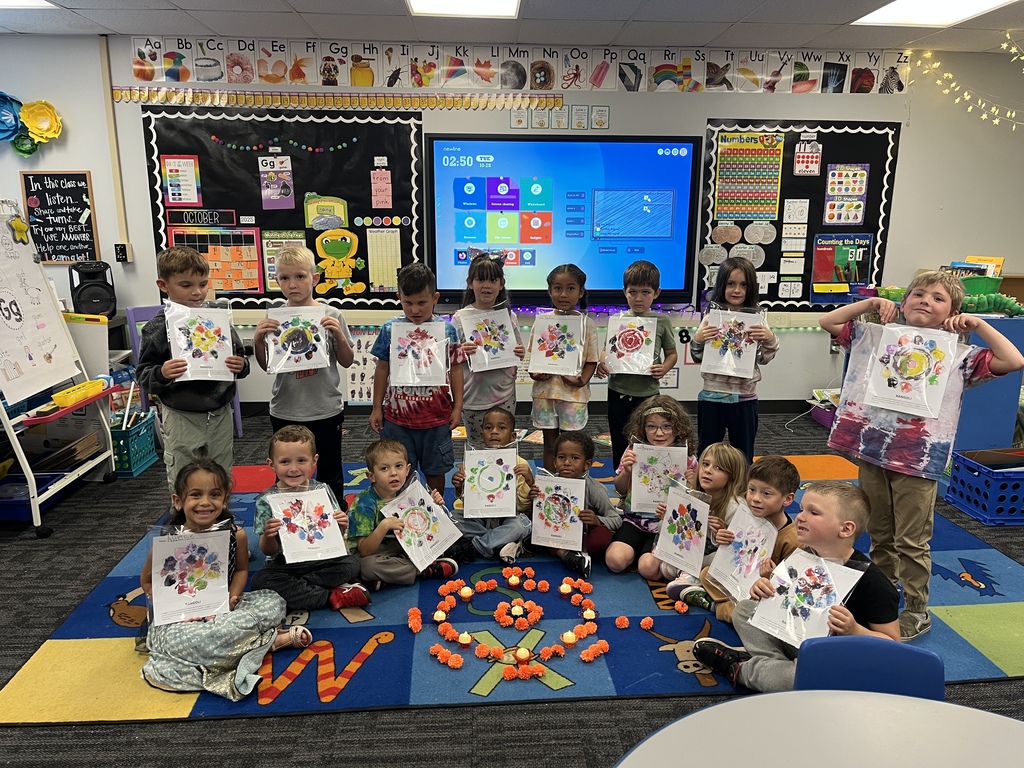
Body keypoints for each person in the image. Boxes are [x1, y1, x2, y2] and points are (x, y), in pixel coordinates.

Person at [819, 271, 1024, 641]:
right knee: (879, 534)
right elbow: (828, 321)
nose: (925, 300)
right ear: (904, 301)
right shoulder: (877, 337)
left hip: (917, 458)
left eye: (938, 297)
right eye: (918, 293)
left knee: (911, 540)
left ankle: (916, 609)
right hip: (871, 449)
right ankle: (883, 598)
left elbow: (1013, 360)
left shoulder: (960, 355)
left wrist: (977, 325)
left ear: (953, 311)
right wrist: (870, 303)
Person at [693, 481, 900, 692]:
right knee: (744, 609)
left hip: (837, 660)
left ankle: (742, 670)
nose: (800, 517)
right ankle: (770, 664)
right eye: (802, 509)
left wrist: (854, 630)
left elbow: (894, 645)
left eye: (814, 512)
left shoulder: (873, 582)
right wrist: (764, 588)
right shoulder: (804, 556)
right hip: (796, 641)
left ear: (846, 529)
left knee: (797, 679)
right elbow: (785, 604)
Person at [140, 459, 307, 702]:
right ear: (178, 501)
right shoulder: (168, 543)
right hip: (181, 620)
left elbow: (240, 570)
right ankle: (264, 643)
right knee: (187, 641)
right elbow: (146, 581)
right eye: (195, 495)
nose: (205, 502)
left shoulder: (235, 534)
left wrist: (232, 597)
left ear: (225, 499)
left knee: (274, 602)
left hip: (224, 609)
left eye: (215, 494)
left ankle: (227, 650)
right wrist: (165, 601)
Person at [136, 246, 250, 496]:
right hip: (181, 416)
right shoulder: (158, 327)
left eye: (203, 284)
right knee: (183, 476)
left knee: (221, 474)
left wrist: (241, 366)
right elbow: (144, 375)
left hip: (219, 413)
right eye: (186, 285)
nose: (197, 292)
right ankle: (184, 526)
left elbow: (240, 359)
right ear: (163, 285)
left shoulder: (217, 319)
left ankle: (220, 523)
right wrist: (162, 372)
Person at [252, 245, 354, 507]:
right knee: (288, 470)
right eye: (285, 278)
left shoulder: (331, 315)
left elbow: (347, 360)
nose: (292, 284)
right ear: (277, 282)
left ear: (315, 278)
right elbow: (267, 367)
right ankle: (289, 519)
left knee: (330, 469)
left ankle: (333, 518)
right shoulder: (274, 318)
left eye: (300, 276)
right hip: (286, 409)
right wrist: (257, 340)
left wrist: (339, 336)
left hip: (325, 408)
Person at [369, 263, 466, 497]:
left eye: (422, 302)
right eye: (408, 303)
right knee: (397, 473)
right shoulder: (390, 329)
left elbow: (455, 369)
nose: (414, 310)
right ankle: (402, 516)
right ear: (399, 297)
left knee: (435, 471)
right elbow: (382, 369)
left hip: (435, 417)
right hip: (397, 419)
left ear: (435, 298)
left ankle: (437, 514)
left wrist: (458, 406)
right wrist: (376, 408)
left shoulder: (447, 329)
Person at [251, 426, 368, 613]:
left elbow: (335, 537)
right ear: (271, 464)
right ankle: (332, 595)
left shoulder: (322, 491)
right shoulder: (267, 500)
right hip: (284, 564)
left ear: (314, 461)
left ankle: (301, 588)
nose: (293, 468)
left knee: (353, 564)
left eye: (301, 460)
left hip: (321, 559)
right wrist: (268, 535)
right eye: (285, 462)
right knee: (260, 581)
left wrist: (341, 525)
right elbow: (268, 550)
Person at [675, 455, 801, 619]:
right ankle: (721, 599)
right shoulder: (747, 517)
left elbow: (792, 585)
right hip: (739, 581)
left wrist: (771, 575)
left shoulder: (792, 539)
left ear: (788, 499)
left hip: (764, 593)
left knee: (745, 612)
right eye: (751, 490)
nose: (755, 499)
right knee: (708, 573)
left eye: (766, 494)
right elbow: (734, 555)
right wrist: (722, 537)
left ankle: (715, 606)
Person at [691, 256, 778, 463]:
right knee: (707, 450)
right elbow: (697, 356)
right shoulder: (711, 317)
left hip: (744, 398)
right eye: (731, 284)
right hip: (712, 397)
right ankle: (705, 491)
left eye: (743, 285)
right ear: (722, 285)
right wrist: (697, 340)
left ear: (751, 288)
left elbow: (763, 359)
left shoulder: (758, 319)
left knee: (743, 452)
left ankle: (742, 491)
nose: (737, 290)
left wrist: (770, 339)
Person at [596, 260, 679, 470]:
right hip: (617, 390)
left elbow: (671, 354)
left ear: (656, 292)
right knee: (619, 437)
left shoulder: (662, 322)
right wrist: (603, 361)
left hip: (647, 393)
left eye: (645, 292)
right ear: (624, 291)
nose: (639, 298)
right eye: (633, 292)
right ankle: (621, 481)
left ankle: (645, 481)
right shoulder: (617, 320)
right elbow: (608, 349)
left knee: (647, 437)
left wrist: (665, 367)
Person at [605, 395, 697, 575]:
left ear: (678, 428)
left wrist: (692, 484)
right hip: (635, 519)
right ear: (643, 428)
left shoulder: (688, 458)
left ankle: (648, 556)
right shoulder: (634, 450)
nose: (659, 433)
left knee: (647, 568)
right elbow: (619, 488)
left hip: (668, 523)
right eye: (651, 426)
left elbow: (695, 503)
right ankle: (639, 552)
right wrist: (627, 472)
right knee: (614, 561)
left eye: (666, 426)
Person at [350, 438, 458, 588]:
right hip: (374, 551)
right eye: (384, 469)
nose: (393, 473)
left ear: (407, 470)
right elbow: (364, 551)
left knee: (445, 542)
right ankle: (424, 570)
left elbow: (425, 528)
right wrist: (384, 525)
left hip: (400, 544)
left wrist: (435, 507)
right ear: (371, 476)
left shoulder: (408, 492)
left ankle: (390, 576)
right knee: (366, 567)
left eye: (398, 466)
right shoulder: (365, 504)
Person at [529, 264, 599, 472]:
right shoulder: (542, 321)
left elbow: (591, 360)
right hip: (545, 393)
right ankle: (549, 481)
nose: (564, 294)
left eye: (570, 288)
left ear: (580, 292)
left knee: (571, 445)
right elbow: (535, 357)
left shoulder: (587, 324)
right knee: (550, 444)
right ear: (550, 291)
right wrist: (535, 373)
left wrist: (582, 380)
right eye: (558, 288)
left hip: (573, 395)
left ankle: (571, 484)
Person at [451, 252, 526, 446]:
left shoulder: (510, 316)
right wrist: (461, 350)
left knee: (504, 444)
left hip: (504, 394)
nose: (487, 285)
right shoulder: (460, 318)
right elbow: (449, 357)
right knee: (477, 445)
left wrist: (519, 352)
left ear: (501, 284)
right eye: (480, 279)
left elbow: (518, 350)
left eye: (493, 280)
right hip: (474, 398)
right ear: (470, 282)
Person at [651, 442, 747, 586]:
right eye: (705, 464)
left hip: (713, 557)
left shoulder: (735, 507)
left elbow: (738, 551)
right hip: (693, 552)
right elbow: (671, 534)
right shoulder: (691, 495)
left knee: (717, 560)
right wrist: (665, 519)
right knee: (647, 565)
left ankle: (690, 573)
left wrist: (720, 534)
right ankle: (687, 572)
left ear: (732, 476)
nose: (708, 471)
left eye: (718, 468)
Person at [447, 406, 533, 564]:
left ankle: (474, 546)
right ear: (482, 435)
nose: (494, 432)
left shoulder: (520, 464)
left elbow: (522, 505)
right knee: (451, 517)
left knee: (523, 524)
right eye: (488, 427)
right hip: (479, 519)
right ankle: (499, 542)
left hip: (507, 519)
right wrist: (459, 487)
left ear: (513, 436)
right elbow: (469, 503)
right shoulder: (474, 462)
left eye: (501, 428)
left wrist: (529, 481)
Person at [532, 430, 622, 578]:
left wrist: (597, 520)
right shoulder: (547, 484)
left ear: (587, 464)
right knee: (532, 526)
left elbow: (616, 519)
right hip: (555, 531)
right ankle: (566, 555)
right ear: (554, 461)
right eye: (561, 457)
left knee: (603, 535)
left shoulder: (595, 489)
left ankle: (563, 551)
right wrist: (534, 498)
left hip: (583, 534)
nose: (567, 463)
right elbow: (538, 516)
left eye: (575, 458)